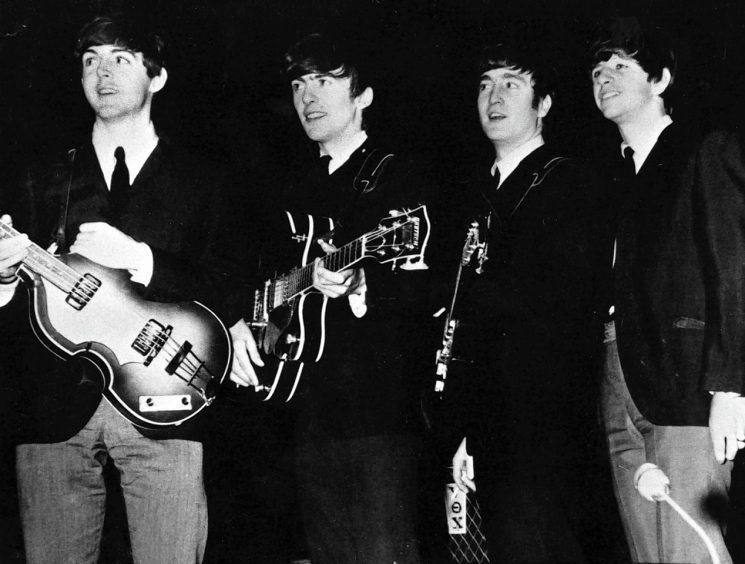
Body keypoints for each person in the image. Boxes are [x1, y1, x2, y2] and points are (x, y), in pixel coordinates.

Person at [0, 13, 234, 563]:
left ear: (157, 77)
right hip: (52, 408)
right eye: (90, 61)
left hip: (168, 395)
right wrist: (7, 276)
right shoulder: (41, 176)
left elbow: (227, 286)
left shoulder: (204, 179)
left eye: (120, 59)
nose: (102, 73)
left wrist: (140, 260)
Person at [229, 32, 428, 563]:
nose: (307, 97)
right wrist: (254, 325)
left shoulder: (397, 176)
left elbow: (424, 287)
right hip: (304, 411)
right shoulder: (290, 190)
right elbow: (261, 283)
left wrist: (364, 285)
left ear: (362, 96)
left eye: (324, 81)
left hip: (377, 414)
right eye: (298, 84)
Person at [591, 17, 745, 563]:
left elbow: (734, 267)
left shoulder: (704, 149)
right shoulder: (614, 176)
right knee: (647, 550)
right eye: (597, 69)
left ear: (659, 80)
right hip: (619, 375)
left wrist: (731, 387)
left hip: (687, 386)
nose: (604, 77)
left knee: (690, 547)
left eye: (620, 65)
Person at [449, 40, 610, 562]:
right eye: (485, 85)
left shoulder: (568, 182)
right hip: (492, 425)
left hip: (547, 429)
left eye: (511, 85)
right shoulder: (477, 193)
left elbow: (564, 311)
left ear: (543, 105)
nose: (493, 97)